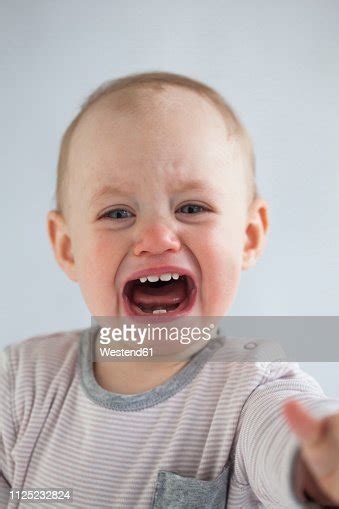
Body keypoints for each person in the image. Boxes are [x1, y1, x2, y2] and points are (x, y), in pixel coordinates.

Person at [1, 72, 338, 508]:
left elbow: (290, 435)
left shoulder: (251, 390)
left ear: (249, 236)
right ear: (67, 248)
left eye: (192, 208)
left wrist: (318, 464)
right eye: (117, 213)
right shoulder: (21, 383)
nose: (158, 238)